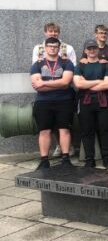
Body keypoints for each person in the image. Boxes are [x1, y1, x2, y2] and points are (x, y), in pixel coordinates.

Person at [32, 22, 77, 158]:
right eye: (50, 31)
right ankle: (44, 159)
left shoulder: (68, 49)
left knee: (64, 127)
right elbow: (36, 79)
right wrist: (57, 83)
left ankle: (65, 153)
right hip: (44, 98)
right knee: (44, 129)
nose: (53, 34)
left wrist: (45, 84)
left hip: (64, 96)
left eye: (55, 31)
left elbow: (67, 79)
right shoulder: (38, 50)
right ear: (45, 33)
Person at [73, 39, 108, 169]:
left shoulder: (105, 65)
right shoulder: (79, 66)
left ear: (98, 49)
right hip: (84, 101)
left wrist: (88, 84)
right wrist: (98, 81)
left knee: (105, 130)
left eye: (94, 48)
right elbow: (78, 84)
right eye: (89, 49)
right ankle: (89, 160)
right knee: (87, 131)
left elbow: (107, 84)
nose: (92, 51)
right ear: (85, 51)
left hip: (103, 101)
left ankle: (107, 159)